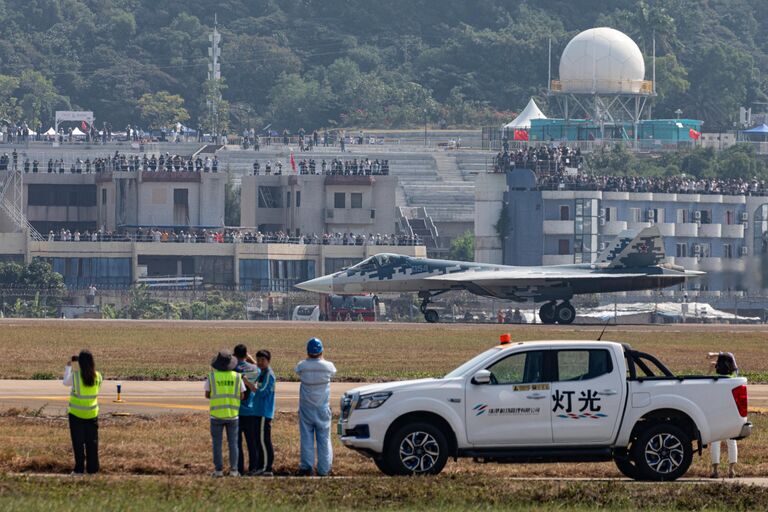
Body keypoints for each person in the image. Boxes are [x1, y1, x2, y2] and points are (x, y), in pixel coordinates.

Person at [294, 338, 336, 476]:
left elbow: (297, 370)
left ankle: (306, 467)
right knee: (324, 438)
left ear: (308, 351)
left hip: (306, 407)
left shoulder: (302, 366)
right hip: (322, 407)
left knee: (306, 437)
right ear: (321, 351)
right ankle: (324, 469)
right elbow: (333, 371)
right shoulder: (328, 366)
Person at [205, 349, 246, 477]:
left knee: (217, 444)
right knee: (233, 444)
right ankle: (234, 470)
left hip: (216, 415)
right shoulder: (237, 377)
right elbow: (242, 395)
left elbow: (207, 395)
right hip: (233, 415)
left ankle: (218, 470)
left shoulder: (211, 377)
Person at [63, 350, 102, 475]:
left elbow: (65, 382)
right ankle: (93, 469)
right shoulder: (98, 376)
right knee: (92, 444)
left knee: (78, 444)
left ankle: (79, 469)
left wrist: (69, 366)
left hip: (76, 414)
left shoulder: (75, 375)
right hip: (92, 414)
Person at [708, 351, 740, 478]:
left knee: (715, 441)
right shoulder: (734, 380)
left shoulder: (712, 381)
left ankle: (715, 470)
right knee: (732, 441)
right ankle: (731, 470)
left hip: (716, 413)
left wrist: (710, 369)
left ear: (717, 368)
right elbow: (733, 362)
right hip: (731, 413)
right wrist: (718, 354)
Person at [233, 344, 260, 476]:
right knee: (252, 442)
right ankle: (253, 467)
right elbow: (263, 371)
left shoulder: (232, 369)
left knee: (237, 443)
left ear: (234, 355)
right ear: (246, 354)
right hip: (251, 410)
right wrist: (252, 360)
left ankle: (238, 469)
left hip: (235, 411)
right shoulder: (255, 369)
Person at [251, 349, 276, 476]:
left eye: (263, 360)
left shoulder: (269, 375)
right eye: (258, 360)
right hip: (257, 411)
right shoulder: (262, 372)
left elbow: (261, 392)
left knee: (264, 440)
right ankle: (260, 466)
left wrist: (248, 384)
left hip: (263, 412)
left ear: (268, 361)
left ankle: (267, 468)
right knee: (258, 440)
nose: (260, 363)